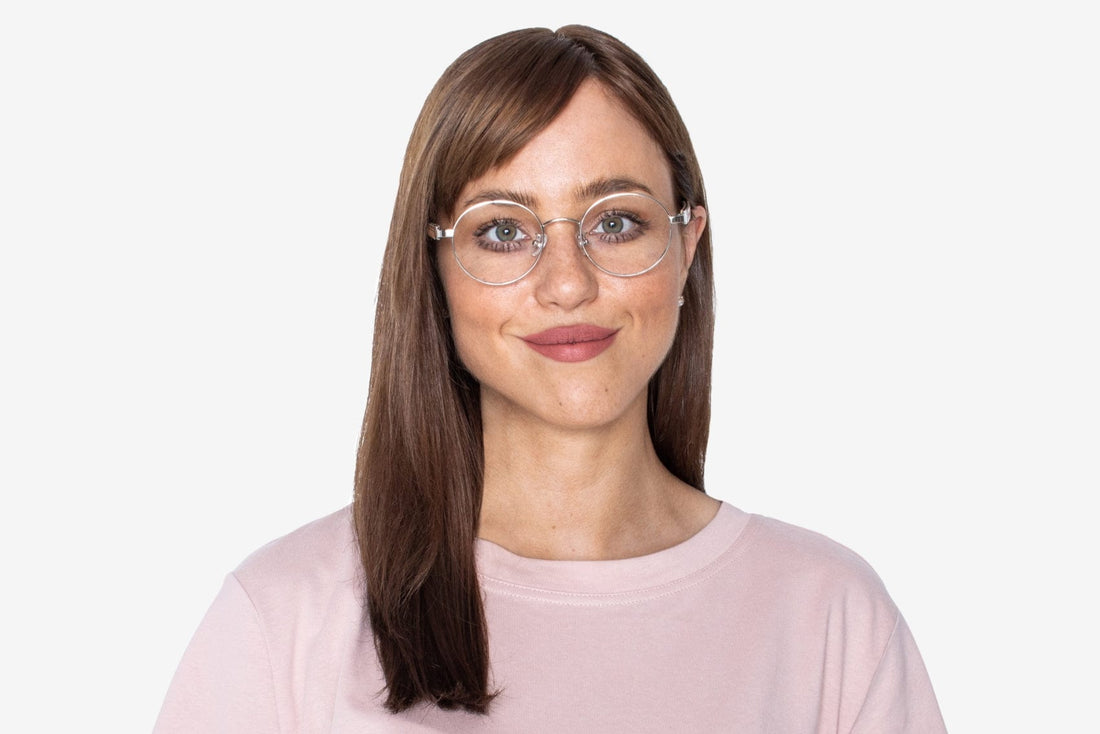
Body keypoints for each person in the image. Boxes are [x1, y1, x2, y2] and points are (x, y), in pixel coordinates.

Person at [154, 24, 946, 733]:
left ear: (687, 248)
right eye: (502, 230)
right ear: (432, 267)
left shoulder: (830, 621)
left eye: (616, 222)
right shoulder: (285, 619)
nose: (567, 283)